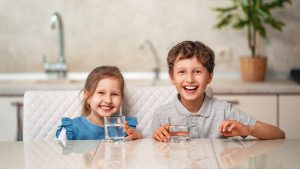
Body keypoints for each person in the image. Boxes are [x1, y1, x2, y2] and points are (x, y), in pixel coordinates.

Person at [152, 41, 285, 142]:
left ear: (209, 77)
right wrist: (157, 137)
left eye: (197, 72)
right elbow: (153, 153)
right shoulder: (162, 115)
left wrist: (247, 129)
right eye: (182, 72)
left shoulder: (225, 111)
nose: (190, 79)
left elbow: (279, 134)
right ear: (171, 77)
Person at [56, 66, 142, 140]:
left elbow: (139, 151)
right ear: (87, 96)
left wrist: (137, 137)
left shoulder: (125, 127)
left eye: (114, 94)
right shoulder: (73, 129)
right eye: (101, 93)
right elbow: (58, 153)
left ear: (121, 98)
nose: (108, 100)